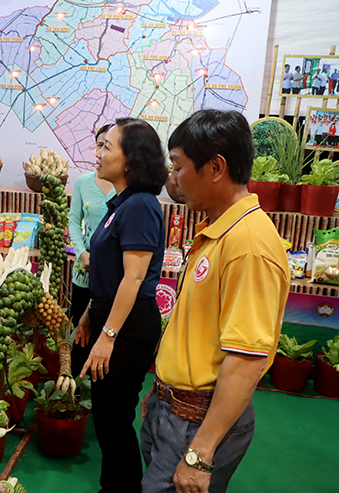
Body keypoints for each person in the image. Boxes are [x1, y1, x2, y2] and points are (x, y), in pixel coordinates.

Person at [140, 109, 290, 493]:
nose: (173, 179)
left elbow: (246, 359)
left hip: (196, 422)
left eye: (178, 166)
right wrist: (161, 393)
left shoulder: (249, 245)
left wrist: (200, 453)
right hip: (175, 409)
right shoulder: (218, 230)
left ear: (216, 167)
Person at [76, 117, 169, 493]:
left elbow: (133, 278)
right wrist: (91, 312)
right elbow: (111, 270)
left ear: (131, 159)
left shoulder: (141, 205)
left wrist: (108, 335)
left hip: (128, 328)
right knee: (107, 419)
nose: (97, 153)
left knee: (114, 421)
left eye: (107, 146)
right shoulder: (121, 203)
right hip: (111, 316)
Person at [67, 125, 116, 373]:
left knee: (104, 333)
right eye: (99, 144)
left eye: (107, 146)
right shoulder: (83, 183)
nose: (100, 151)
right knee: (80, 334)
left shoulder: (125, 189)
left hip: (111, 278)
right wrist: (82, 253)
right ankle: (75, 382)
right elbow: (73, 222)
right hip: (84, 272)